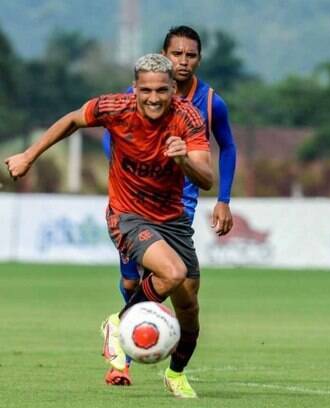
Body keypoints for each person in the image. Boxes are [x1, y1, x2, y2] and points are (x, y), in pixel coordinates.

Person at [5, 53, 213, 399]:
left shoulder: (188, 118)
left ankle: (175, 374)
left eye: (162, 90)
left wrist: (183, 161)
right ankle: (119, 323)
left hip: (172, 220)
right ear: (134, 89)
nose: (153, 98)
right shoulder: (115, 107)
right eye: (146, 90)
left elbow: (206, 178)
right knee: (172, 273)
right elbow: (72, 121)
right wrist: (29, 155)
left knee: (189, 308)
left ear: (173, 90)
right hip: (127, 215)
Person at [101, 25, 237, 387]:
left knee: (183, 291)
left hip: (181, 207)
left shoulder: (210, 102)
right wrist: (123, 175)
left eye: (190, 55)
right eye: (176, 54)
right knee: (134, 280)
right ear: (164, 55)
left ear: (199, 59)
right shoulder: (143, 93)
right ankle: (122, 359)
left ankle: (174, 371)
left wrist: (223, 199)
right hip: (134, 204)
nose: (183, 60)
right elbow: (109, 135)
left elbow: (229, 146)